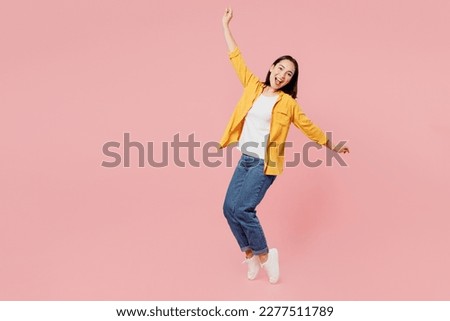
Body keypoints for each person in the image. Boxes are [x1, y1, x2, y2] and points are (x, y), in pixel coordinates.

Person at [220, 8, 350, 284]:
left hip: (264, 164)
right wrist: (225, 26)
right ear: (271, 68)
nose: (282, 75)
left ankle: (266, 256)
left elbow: (308, 126)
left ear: (291, 81)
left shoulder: (289, 104)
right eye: (280, 68)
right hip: (245, 159)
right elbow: (236, 58)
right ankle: (249, 254)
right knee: (229, 208)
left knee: (243, 209)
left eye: (288, 74)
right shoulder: (253, 87)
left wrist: (332, 145)